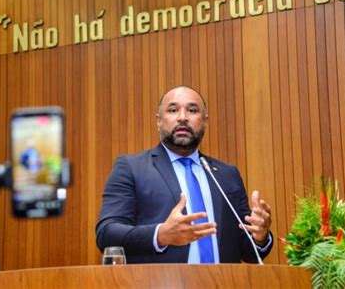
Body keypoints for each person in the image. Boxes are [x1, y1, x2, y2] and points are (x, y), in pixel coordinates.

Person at [96, 86, 272, 264]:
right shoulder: (131, 168)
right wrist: (160, 235)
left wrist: (260, 237)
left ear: (204, 121)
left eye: (192, 110)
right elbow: (107, 234)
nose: (182, 117)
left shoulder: (227, 175)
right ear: (158, 121)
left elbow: (249, 252)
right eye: (173, 110)